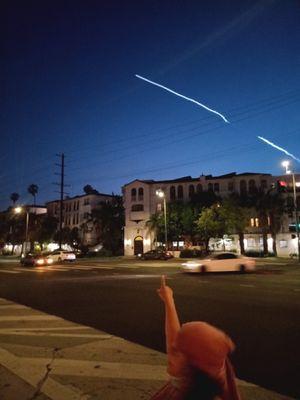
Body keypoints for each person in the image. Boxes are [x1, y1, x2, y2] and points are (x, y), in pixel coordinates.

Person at [151, 275, 241, 400]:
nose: (173, 347)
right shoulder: (216, 371)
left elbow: (172, 341)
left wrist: (169, 301)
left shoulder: (181, 385)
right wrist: (169, 301)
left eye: (179, 349)